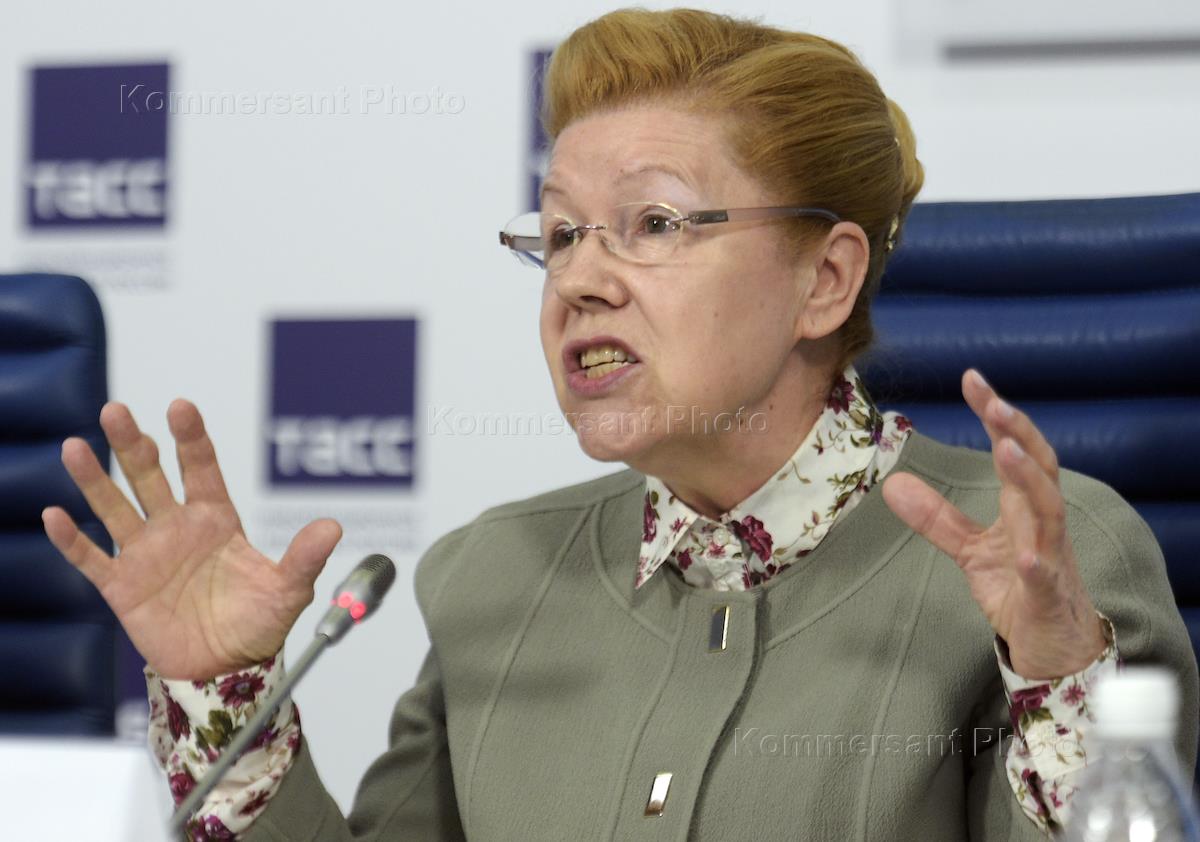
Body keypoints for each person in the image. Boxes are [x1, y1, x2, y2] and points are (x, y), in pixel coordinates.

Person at [42, 7, 1196, 841]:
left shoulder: (1038, 563)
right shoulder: (492, 574)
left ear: (826, 281)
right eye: (559, 235)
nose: (581, 280)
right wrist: (226, 690)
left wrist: (1055, 670)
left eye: (652, 222)